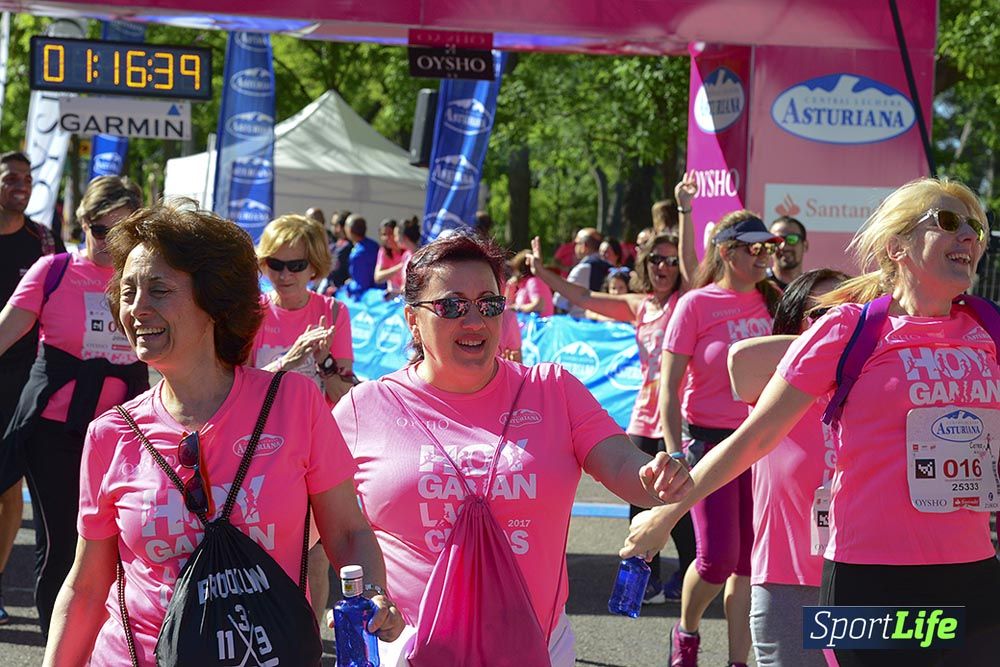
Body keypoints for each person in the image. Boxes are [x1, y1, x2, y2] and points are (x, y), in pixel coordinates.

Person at [624, 178, 1000, 667]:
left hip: (972, 576)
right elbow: (755, 436)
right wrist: (667, 513)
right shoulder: (851, 329)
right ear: (897, 245)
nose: (968, 237)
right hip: (870, 581)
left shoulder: (988, 330)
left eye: (975, 228)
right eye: (949, 223)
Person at [42, 201, 403, 665]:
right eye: (128, 292)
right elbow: (88, 586)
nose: (136, 309)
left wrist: (372, 595)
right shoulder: (110, 434)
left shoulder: (293, 404)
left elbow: (350, 532)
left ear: (213, 302)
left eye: (158, 290)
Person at [332, 231, 692, 666]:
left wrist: (653, 475)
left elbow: (621, 463)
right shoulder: (365, 407)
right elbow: (326, 527)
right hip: (410, 651)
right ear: (412, 319)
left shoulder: (552, 390)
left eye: (489, 304)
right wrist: (369, 593)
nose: (474, 321)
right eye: (451, 306)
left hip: (536, 649)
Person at [526, 174, 699, 603]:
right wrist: (543, 274)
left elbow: (694, 265)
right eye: (656, 260)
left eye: (670, 260)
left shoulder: (689, 300)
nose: (663, 267)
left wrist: (684, 210)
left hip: (679, 418)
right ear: (646, 266)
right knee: (638, 500)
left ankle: (695, 576)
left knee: (682, 508)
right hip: (643, 414)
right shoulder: (639, 306)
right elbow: (584, 297)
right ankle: (649, 581)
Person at [0, 176, 146, 636]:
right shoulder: (53, 271)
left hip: (126, 436)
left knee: (129, 545)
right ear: (82, 223)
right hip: (55, 431)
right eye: (101, 230)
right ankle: (58, 645)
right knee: (63, 545)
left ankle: (111, 644)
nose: (109, 244)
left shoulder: (144, 281)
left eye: (123, 233)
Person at [657, 211, 783, 667]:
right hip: (708, 445)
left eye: (768, 247)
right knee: (716, 560)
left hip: (762, 444)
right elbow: (668, 390)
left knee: (751, 564)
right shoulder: (695, 304)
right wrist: (673, 453)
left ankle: (737, 661)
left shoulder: (775, 302)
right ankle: (686, 634)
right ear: (727, 252)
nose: (766, 255)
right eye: (755, 248)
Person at [252, 213, 356, 624]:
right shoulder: (252, 312)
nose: (285, 274)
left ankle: (309, 642)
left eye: (296, 265)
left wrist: (325, 363)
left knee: (314, 558)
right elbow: (235, 387)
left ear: (314, 266)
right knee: (262, 552)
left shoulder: (332, 312)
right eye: (275, 263)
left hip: (311, 449)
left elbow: (345, 395)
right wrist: (290, 359)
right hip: (257, 447)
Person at [0, 151, 64, 624]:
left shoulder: (42, 241)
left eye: (26, 178)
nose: (20, 185)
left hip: (24, 383)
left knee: (7, 490)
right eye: (10, 178)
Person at [554, 227, 611, 317]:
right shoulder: (609, 266)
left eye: (577, 243)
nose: (575, 247)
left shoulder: (582, 269)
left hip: (581, 323)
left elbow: (559, 300)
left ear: (584, 246)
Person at [506, 250, 555, 316]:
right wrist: (509, 289)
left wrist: (517, 308)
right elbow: (507, 308)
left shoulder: (533, 281)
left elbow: (539, 306)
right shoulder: (526, 284)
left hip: (538, 325)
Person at [344, 214, 382, 297]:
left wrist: (348, 286)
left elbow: (361, 285)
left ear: (349, 230)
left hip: (368, 299)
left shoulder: (358, 254)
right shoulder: (374, 245)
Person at [767, 216, 809, 290]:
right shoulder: (758, 284)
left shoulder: (812, 288)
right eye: (777, 240)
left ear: (805, 246)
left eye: (792, 239)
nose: (784, 247)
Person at [319, 210, 353, 293]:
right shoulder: (333, 245)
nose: (334, 228)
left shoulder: (349, 248)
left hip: (340, 292)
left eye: (336, 224)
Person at [374, 219, 407, 293]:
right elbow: (378, 277)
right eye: (384, 234)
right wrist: (400, 266)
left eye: (390, 233)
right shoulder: (383, 251)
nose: (387, 238)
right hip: (394, 294)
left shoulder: (406, 250)